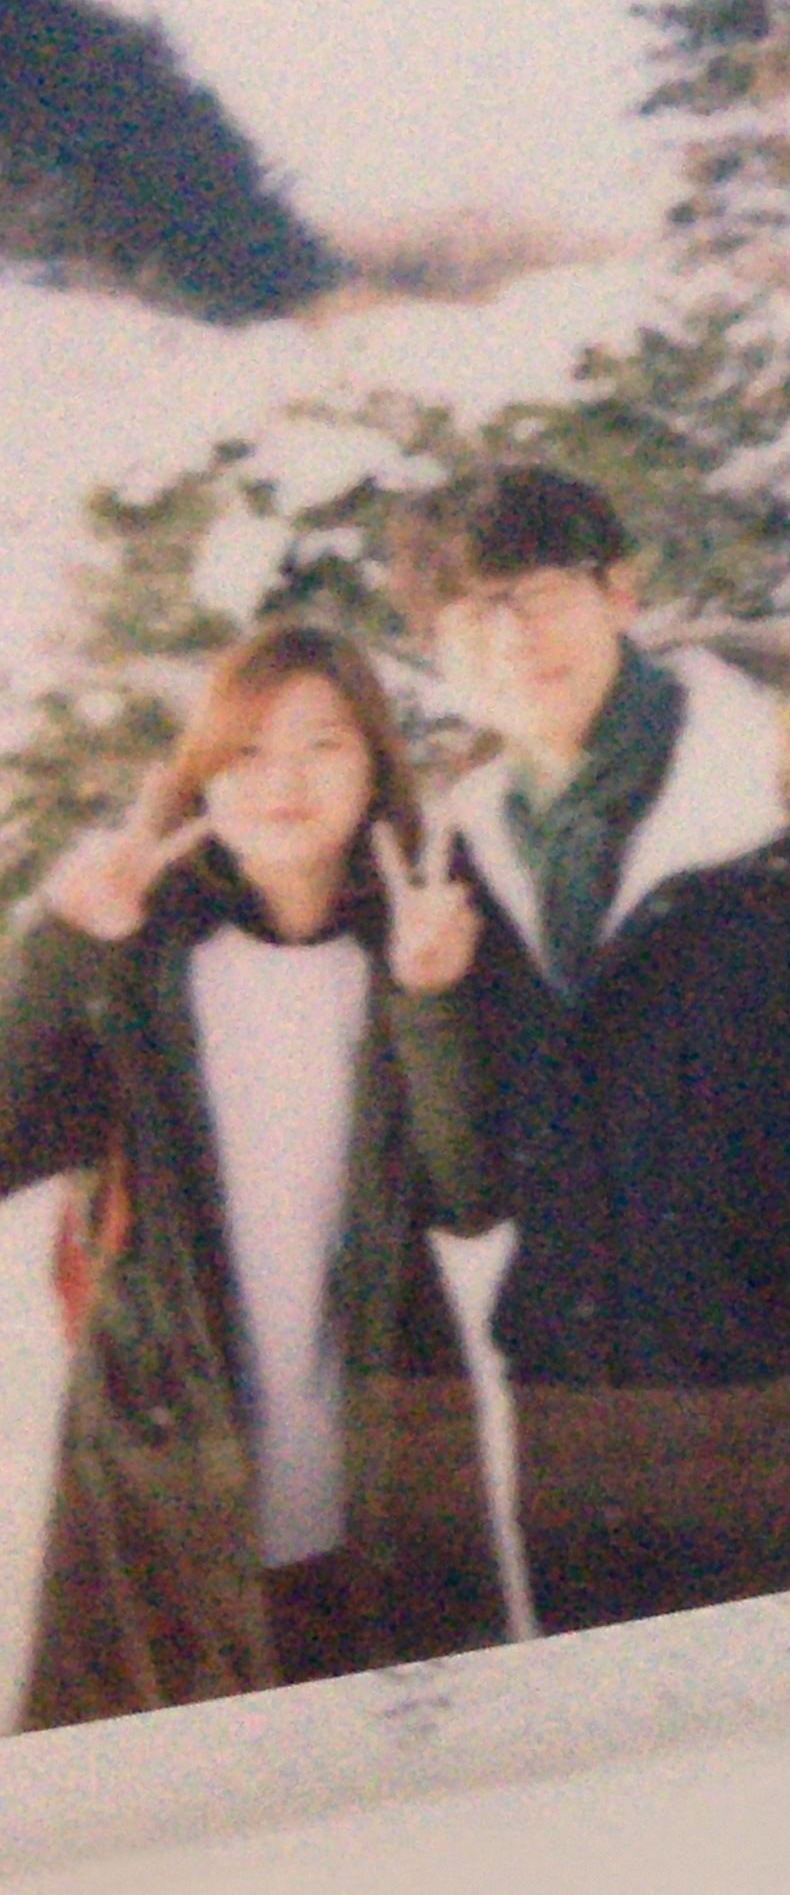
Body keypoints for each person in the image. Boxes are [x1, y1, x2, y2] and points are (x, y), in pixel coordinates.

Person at [384, 465, 790, 1629]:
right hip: (596, 1471)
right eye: (471, 615)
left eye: (539, 594)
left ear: (620, 592)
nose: (513, 639)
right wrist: (428, 1001)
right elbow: (475, 1182)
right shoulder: (463, 861)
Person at [0, 624, 501, 1725]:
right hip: (159, 1473)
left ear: (374, 766)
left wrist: (432, 1004)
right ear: (201, 774)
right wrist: (64, 943)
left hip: (380, 1473)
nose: (284, 782)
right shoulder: (140, 951)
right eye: (248, 750)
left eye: (323, 744)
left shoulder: (423, 929)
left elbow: (470, 1199)